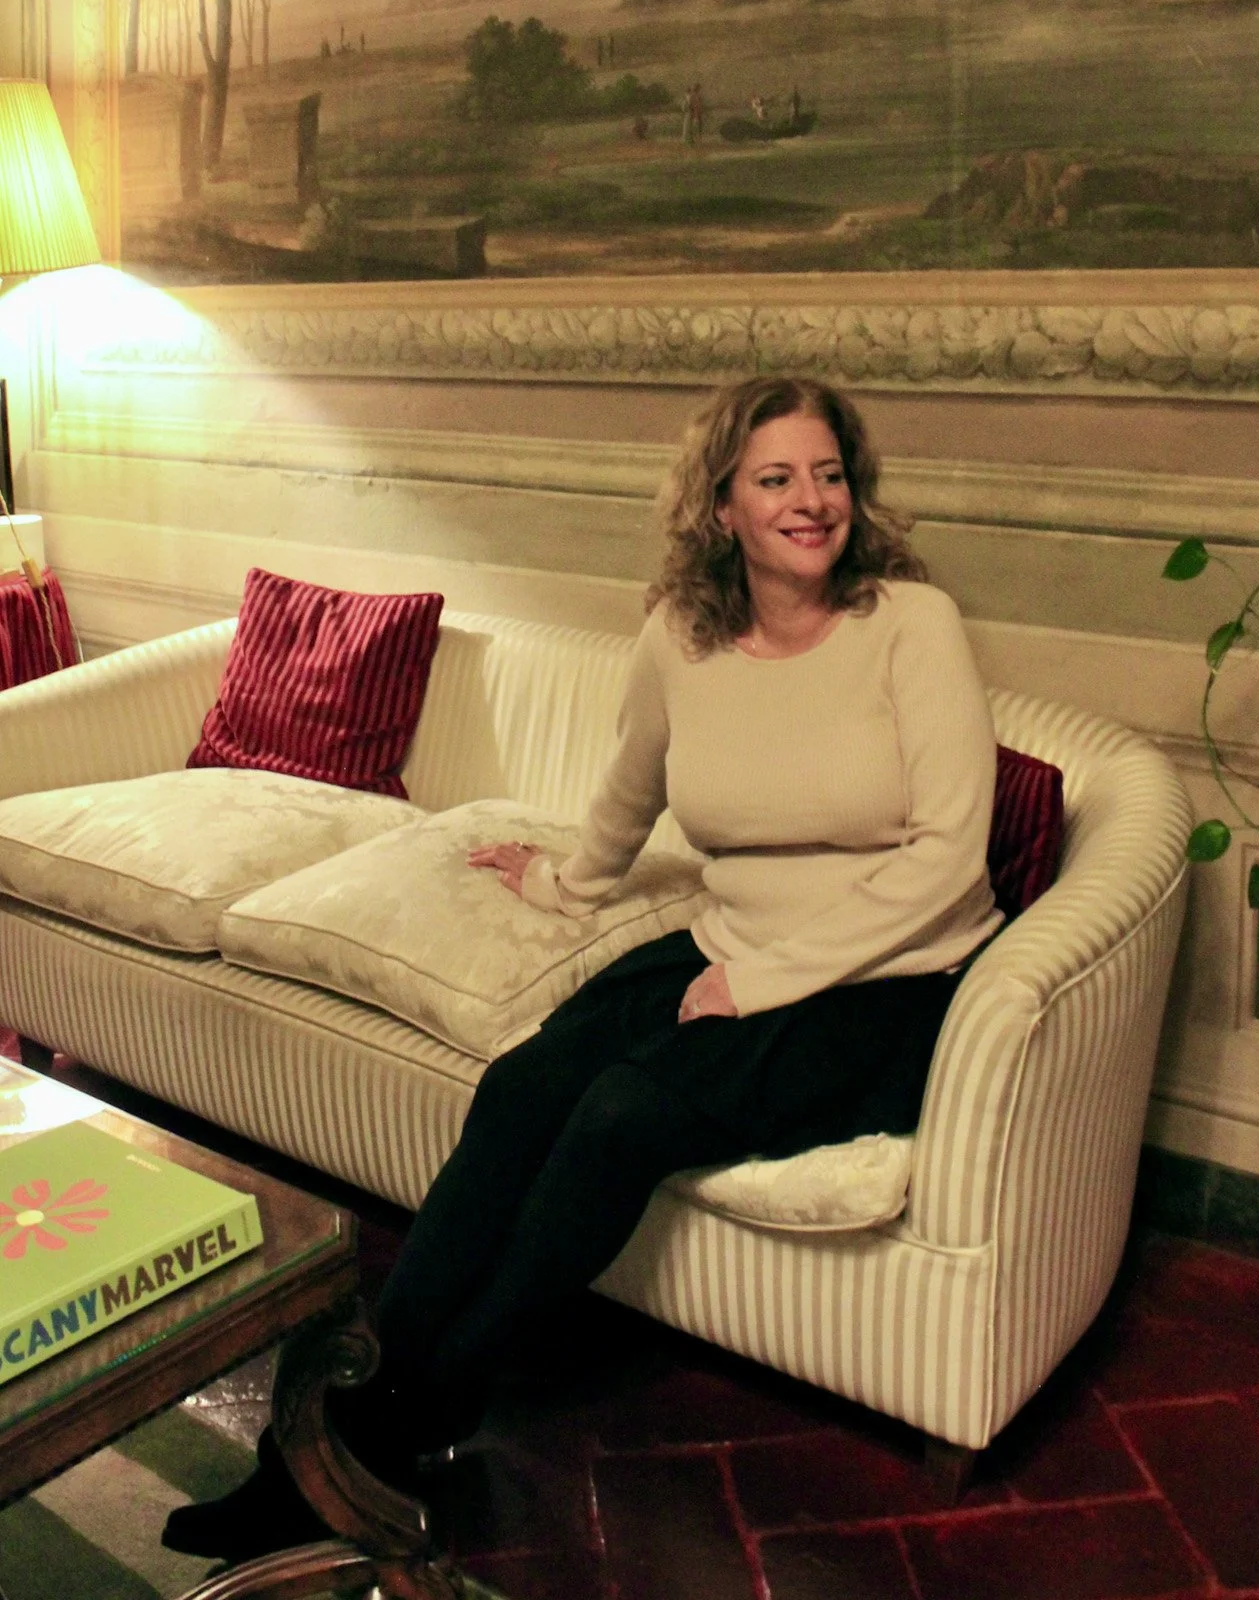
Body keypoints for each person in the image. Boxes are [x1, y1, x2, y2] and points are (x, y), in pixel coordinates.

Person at [163, 376, 1001, 1564]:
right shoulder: (681, 633)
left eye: (829, 474)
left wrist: (763, 984)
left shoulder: (912, 622)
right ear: (722, 506)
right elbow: (629, 791)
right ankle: (336, 1429)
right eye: (777, 478)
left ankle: (389, 1434)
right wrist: (560, 879)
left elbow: (949, 858)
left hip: (890, 980)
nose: (812, 501)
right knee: (520, 1089)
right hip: (732, 942)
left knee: (618, 1119)